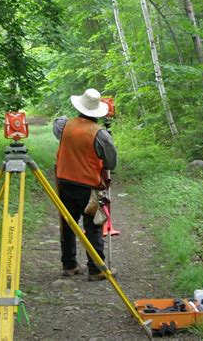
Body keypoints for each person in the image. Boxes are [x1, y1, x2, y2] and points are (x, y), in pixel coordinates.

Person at [53, 88, 117, 281]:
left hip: (64, 182)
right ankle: (96, 268)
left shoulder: (65, 126)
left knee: (68, 223)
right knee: (93, 226)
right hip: (89, 187)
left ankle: (69, 264)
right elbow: (111, 163)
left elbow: (57, 124)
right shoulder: (101, 134)